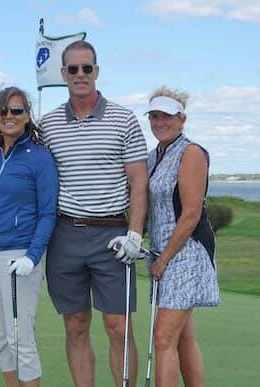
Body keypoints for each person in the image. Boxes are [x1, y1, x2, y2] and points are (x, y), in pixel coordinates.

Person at [39, 40, 149, 387]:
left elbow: (138, 183)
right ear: (63, 74)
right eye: (73, 69)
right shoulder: (48, 125)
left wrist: (135, 233)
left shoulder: (124, 119)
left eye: (87, 68)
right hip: (65, 234)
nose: (80, 74)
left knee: (118, 326)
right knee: (75, 323)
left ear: (97, 71)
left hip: (113, 235)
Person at [0, 86, 59, 387]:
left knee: (20, 337)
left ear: (27, 115)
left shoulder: (39, 158)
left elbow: (48, 213)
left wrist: (32, 258)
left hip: (18, 257)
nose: (9, 116)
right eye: (3, 111)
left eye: (16, 110)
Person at [144, 86, 220, 387]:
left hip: (186, 252)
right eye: (154, 116)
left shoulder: (190, 153)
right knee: (183, 337)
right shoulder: (153, 156)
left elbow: (190, 214)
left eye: (167, 116)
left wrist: (163, 259)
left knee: (163, 337)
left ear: (182, 119)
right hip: (163, 253)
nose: (159, 122)